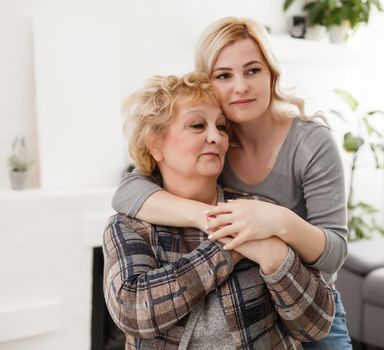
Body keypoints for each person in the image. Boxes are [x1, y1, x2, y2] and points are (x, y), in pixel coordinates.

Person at [112, 17, 352, 349]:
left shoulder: (309, 143)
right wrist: (213, 221)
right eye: (224, 75)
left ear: (271, 75)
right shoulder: (216, 142)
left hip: (308, 298)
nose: (240, 86)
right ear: (208, 83)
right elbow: (128, 192)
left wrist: (278, 223)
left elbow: (334, 253)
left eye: (253, 70)